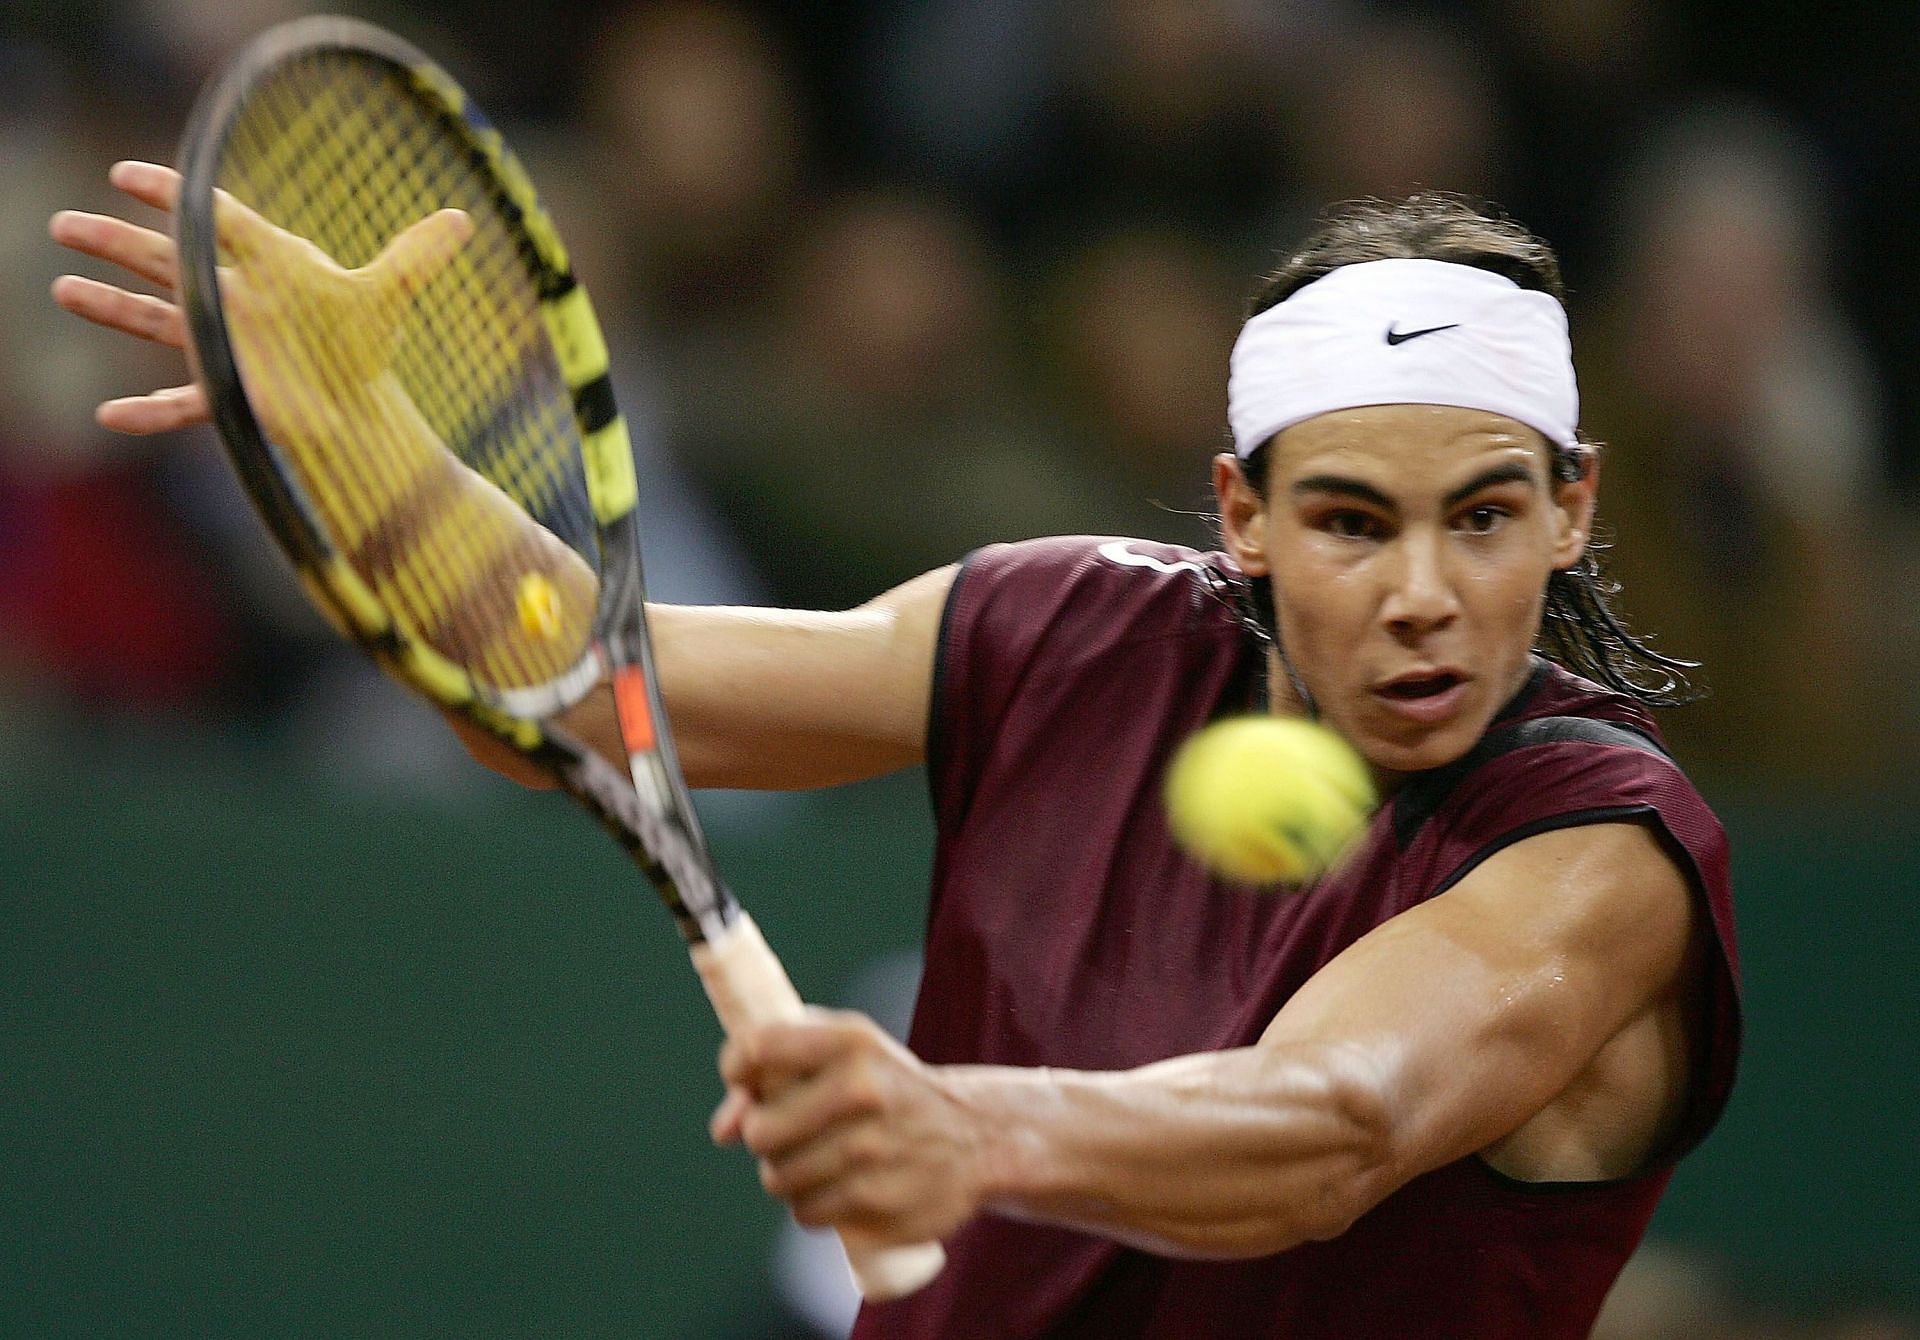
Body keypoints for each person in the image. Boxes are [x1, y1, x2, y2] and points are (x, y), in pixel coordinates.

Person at [52, 166, 1739, 1339]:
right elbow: (572, 697)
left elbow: (1332, 1125)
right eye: (1353, 524)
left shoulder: (1600, 851)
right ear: (1244, 517)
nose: (1424, 598)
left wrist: (974, 1130)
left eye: (1489, 517)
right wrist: (353, 423)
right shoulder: (1060, 635)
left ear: (1573, 506)